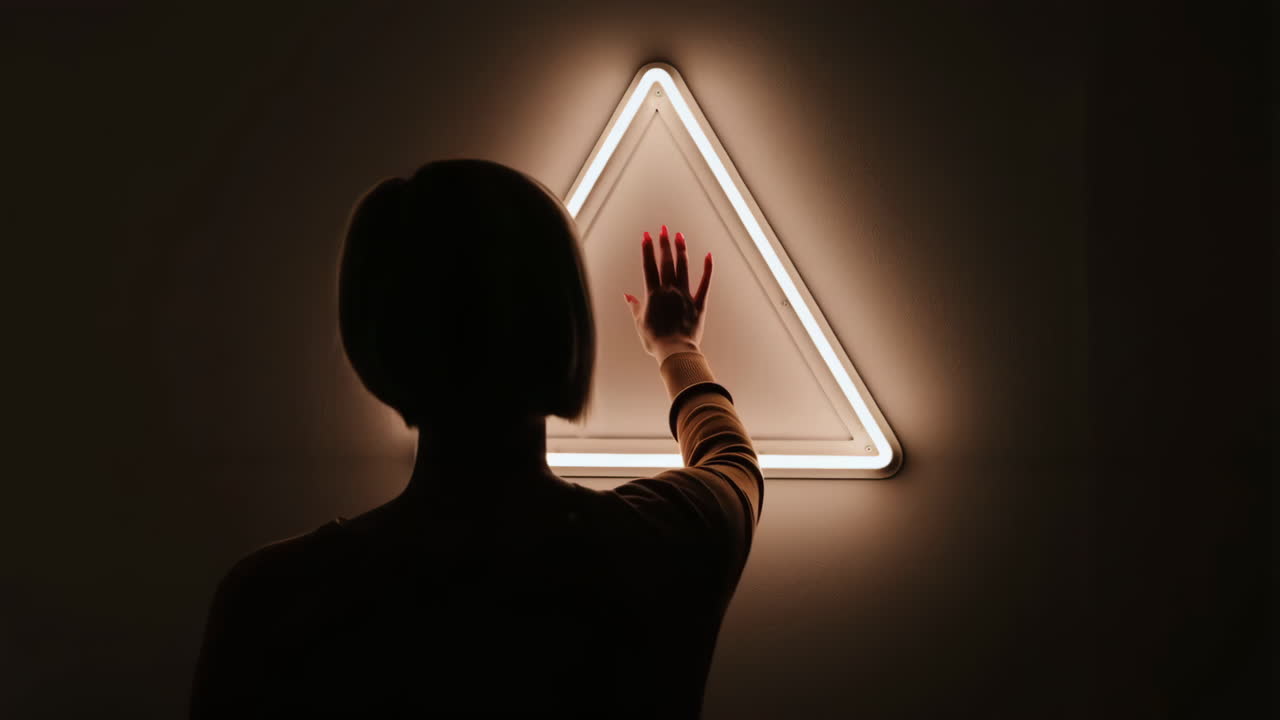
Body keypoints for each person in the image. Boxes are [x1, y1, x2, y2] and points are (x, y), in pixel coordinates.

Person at [190, 158, 763, 718]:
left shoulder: (272, 602)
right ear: (566, 325)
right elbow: (732, 460)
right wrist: (677, 348)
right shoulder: (666, 542)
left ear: (372, 342)